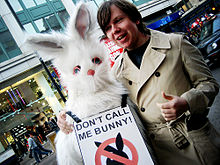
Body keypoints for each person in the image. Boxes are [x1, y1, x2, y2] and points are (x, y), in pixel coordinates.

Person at [57, 0, 220, 164]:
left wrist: (187, 101)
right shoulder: (116, 71)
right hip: (156, 152)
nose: (114, 30)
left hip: (194, 145)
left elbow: (208, 84)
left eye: (118, 20)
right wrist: (66, 117)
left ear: (135, 19)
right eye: (107, 28)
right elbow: (95, 101)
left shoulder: (176, 44)